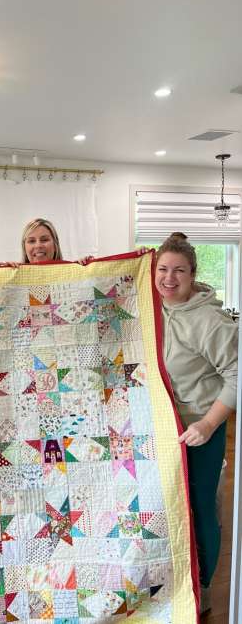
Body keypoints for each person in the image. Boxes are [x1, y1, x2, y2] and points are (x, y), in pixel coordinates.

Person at [155, 232, 238, 614]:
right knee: (167, 504)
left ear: (193, 274)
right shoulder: (151, 303)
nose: (169, 279)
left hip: (200, 424)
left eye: (179, 271)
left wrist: (207, 424)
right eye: (162, 269)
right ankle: (172, 577)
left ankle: (201, 589)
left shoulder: (210, 321)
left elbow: (238, 374)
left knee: (201, 506)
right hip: (161, 423)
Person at [0, 217, 92, 266]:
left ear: (55, 245)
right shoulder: (15, 278)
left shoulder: (73, 274)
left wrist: (85, 269)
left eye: (44, 240)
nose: (38, 245)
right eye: (31, 241)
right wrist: (4, 274)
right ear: (24, 248)